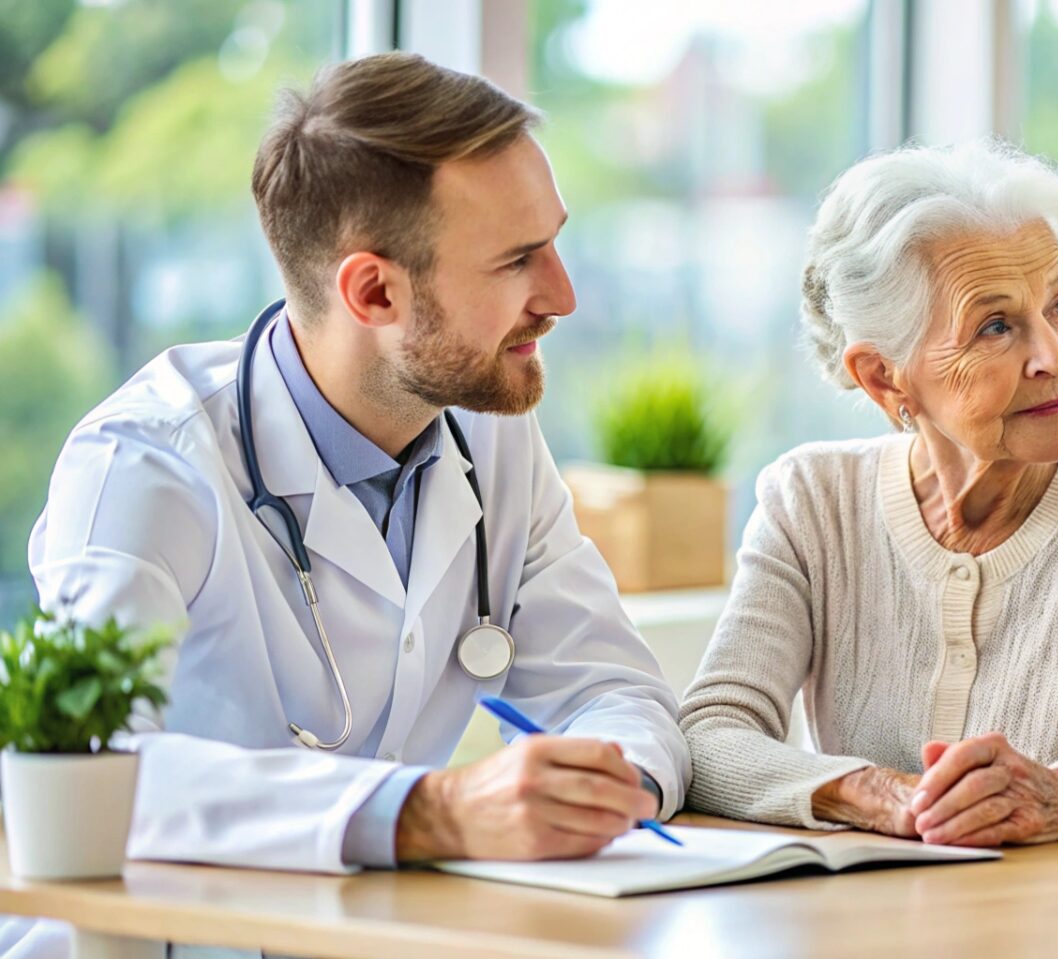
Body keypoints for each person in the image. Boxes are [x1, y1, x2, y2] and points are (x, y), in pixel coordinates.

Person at [9, 52, 688, 958]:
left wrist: (614, 782)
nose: (562, 296)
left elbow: (614, 688)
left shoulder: (490, 437)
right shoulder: (146, 464)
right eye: (519, 260)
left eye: (554, 241)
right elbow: (83, 775)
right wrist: (429, 811)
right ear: (373, 290)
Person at [678, 141, 1058, 846]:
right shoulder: (813, 502)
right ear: (886, 378)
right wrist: (880, 795)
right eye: (997, 326)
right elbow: (708, 735)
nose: (1054, 357)